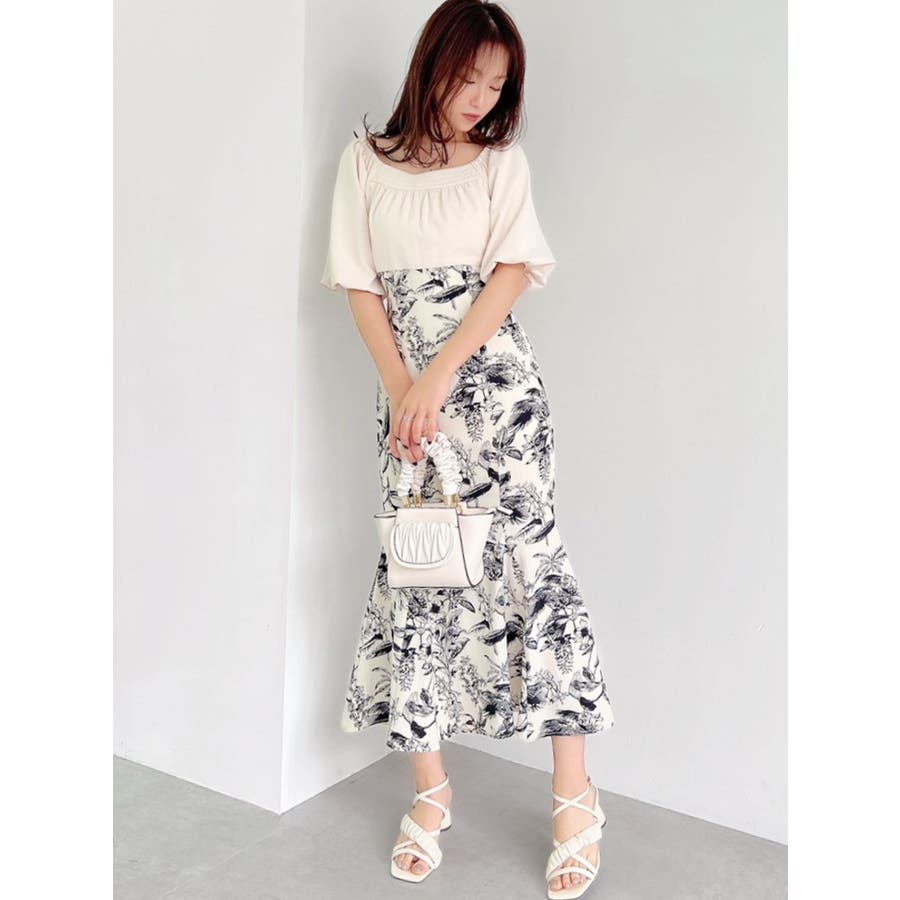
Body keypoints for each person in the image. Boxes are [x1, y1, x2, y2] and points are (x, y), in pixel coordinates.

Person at [320, 2, 615, 897]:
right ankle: (432, 791)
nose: (482, 96)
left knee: (534, 573)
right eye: (470, 76)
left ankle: (575, 798)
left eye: (498, 83)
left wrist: (437, 376)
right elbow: (360, 284)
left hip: (495, 394)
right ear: (432, 63)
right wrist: (403, 389)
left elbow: (513, 272)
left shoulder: (499, 165)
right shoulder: (364, 161)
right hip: (409, 407)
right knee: (420, 574)